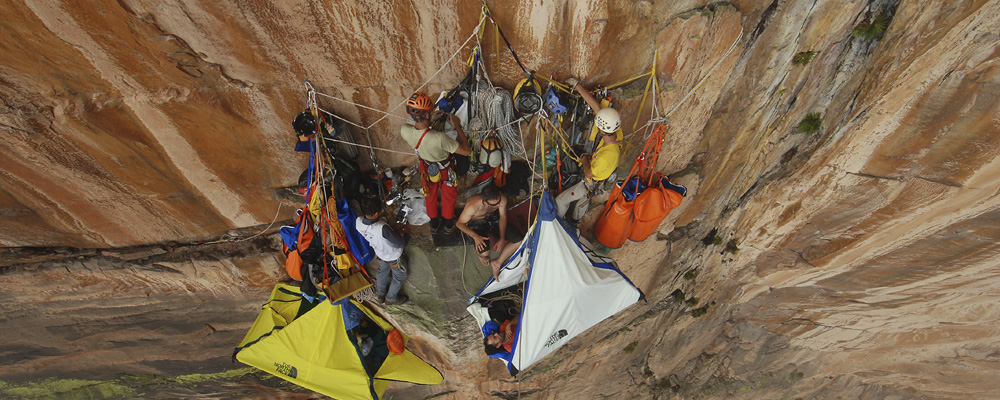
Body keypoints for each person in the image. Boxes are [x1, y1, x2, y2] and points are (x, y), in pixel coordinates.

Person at [400, 92, 472, 234]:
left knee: (429, 195)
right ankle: (448, 224)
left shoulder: (405, 130)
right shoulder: (439, 138)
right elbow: (467, 151)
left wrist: (430, 121)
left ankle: (433, 223)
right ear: (426, 115)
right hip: (445, 169)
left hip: (426, 168)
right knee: (448, 196)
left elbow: (421, 133)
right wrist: (458, 127)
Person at [555, 78, 622, 222]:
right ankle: (575, 221)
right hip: (595, 179)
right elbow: (597, 108)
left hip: (589, 182)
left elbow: (589, 172)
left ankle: (558, 224)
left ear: (602, 131)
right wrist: (577, 86)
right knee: (582, 204)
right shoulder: (617, 134)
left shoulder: (606, 156)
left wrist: (585, 159)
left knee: (561, 200)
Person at [356, 196, 409, 305]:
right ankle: (390, 298)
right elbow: (401, 243)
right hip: (393, 256)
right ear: (376, 214)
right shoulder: (382, 228)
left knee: (382, 272)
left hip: (380, 253)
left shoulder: (358, 222)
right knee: (400, 276)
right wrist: (406, 233)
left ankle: (380, 294)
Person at [455, 184, 509, 270]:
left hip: (490, 220)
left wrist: (502, 238)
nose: (498, 206)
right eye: (494, 205)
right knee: (484, 252)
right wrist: (475, 236)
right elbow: (459, 224)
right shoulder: (472, 206)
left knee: (515, 237)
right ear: (484, 203)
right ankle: (481, 256)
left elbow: (503, 216)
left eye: (498, 202)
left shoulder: (501, 199)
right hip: (476, 225)